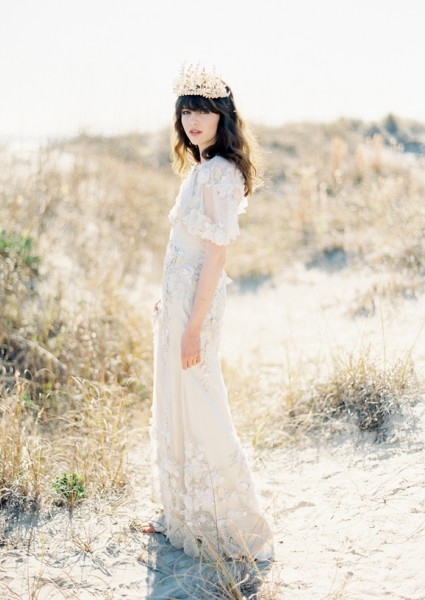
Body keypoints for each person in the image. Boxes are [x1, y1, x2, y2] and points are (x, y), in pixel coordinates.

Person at [143, 65, 273, 560]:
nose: (193, 120)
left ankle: (237, 524)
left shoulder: (220, 173)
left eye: (201, 110)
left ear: (222, 114)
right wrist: (168, 296)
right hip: (179, 298)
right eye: (186, 111)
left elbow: (217, 255)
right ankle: (184, 513)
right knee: (177, 396)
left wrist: (193, 325)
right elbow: (188, 245)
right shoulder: (201, 168)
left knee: (201, 399)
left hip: (196, 305)